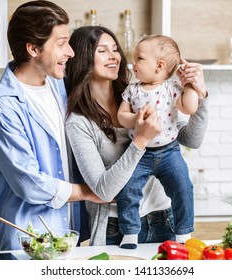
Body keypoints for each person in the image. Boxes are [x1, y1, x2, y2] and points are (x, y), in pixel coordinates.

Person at [65, 26, 209, 247]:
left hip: (165, 218)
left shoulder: (149, 92)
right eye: (102, 51)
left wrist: (199, 93)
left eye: (115, 49)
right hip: (116, 227)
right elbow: (103, 191)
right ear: (83, 58)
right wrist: (140, 140)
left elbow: (192, 140)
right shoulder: (79, 122)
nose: (114, 56)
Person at [0, 0, 103, 251]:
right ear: (33, 49)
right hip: (27, 243)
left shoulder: (59, 85)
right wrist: (89, 192)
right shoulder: (2, 109)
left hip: (68, 237)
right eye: (61, 44)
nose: (70, 52)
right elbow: (29, 183)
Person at [116, 34, 198, 249]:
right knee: (128, 190)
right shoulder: (132, 89)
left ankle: (183, 232)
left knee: (182, 187)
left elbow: (189, 108)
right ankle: (130, 233)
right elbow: (120, 116)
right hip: (139, 152)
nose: (133, 63)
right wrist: (135, 119)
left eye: (139, 58)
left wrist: (189, 84)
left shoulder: (171, 88)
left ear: (159, 66)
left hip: (169, 151)